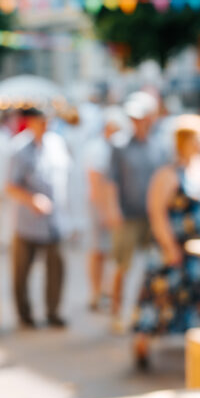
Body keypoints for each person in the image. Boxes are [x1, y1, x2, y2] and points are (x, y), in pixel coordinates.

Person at [132, 115, 200, 369]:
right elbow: (156, 211)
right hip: (176, 249)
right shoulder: (168, 173)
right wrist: (170, 247)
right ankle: (142, 347)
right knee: (160, 298)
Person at [5, 107, 71, 329]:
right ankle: (24, 314)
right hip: (28, 222)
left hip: (54, 221)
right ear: (31, 122)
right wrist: (31, 200)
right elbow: (10, 185)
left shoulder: (56, 144)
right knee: (21, 272)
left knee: (56, 269)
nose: (44, 125)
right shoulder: (19, 148)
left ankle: (53, 311)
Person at [105, 91, 166, 332]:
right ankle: (116, 312)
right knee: (122, 265)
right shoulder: (119, 144)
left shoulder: (159, 146)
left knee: (153, 266)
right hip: (128, 214)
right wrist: (112, 210)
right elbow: (111, 181)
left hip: (153, 216)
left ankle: (145, 311)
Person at [83, 106, 129, 311]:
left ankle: (108, 291)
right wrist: (104, 210)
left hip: (109, 205)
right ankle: (96, 291)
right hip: (99, 206)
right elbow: (95, 182)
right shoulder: (98, 148)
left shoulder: (114, 147)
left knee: (111, 252)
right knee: (98, 251)